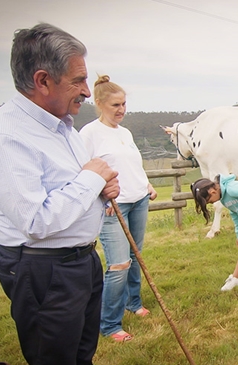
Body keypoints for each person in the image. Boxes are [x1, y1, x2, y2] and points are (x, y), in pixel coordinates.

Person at [0, 23, 119, 365]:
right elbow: (35, 221)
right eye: (78, 80)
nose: (87, 90)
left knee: (80, 360)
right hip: (42, 268)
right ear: (42, 80)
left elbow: (73, 188)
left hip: (80, 261)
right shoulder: (4, 136)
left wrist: (101, 190)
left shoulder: (63, 128)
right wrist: (90, 181)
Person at [79, 75, 158, 343]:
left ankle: (133, 303)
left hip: (139, 200)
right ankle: (110, 324)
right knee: (119, 264)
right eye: (115, 105)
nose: (122, 110)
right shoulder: (89, 133)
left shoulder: (125, 133)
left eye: (124, 104)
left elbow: (132, 165)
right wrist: (100, 196)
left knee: (136, 255)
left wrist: (146, 185)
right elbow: (82, 172)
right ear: (99, 103)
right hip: (114, 205)